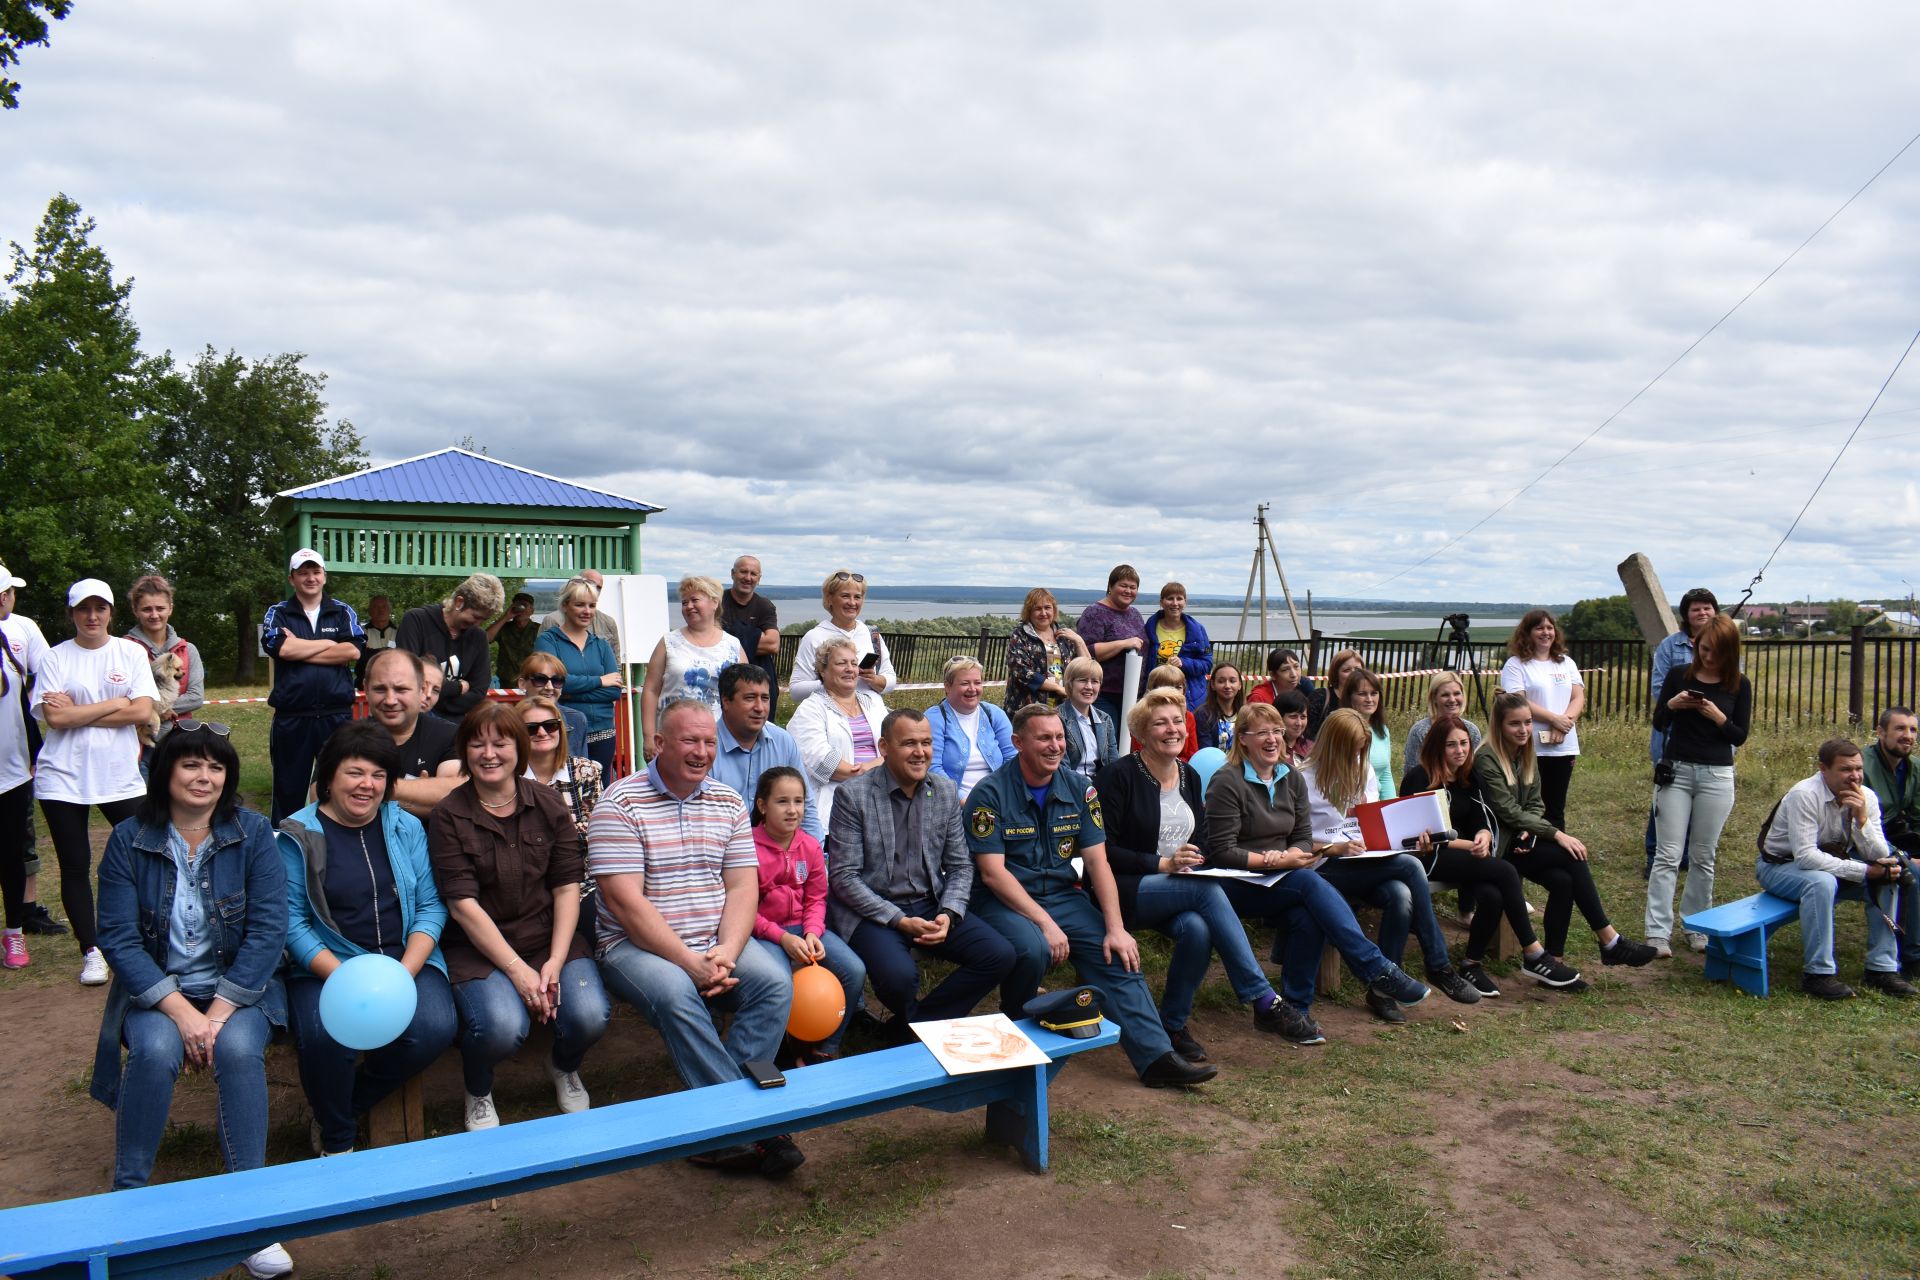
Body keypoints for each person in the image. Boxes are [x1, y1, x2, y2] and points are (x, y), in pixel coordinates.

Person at [89, 726, 293, 1278]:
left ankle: (250, 1220)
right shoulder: (130, 839)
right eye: (190, 766)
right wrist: (180, 1010)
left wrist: (219, 1011)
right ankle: (127, 1204)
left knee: (238, 1051)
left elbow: (269, 930)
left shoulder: (252, 833)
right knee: (154, 1053)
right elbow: (118, 937)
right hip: (160, 991)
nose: (204, 777)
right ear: (165, 773)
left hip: (240, 989)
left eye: (216, 768)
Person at [590, 701, 803, 1177]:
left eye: (709, 742)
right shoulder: (619, 804)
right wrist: (692, 963)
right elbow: (626, 905)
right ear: (660, 744)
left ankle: (720, 1122)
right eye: (689, 741)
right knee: (678, 994)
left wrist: (726, 952)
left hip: (715, 939)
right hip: (633, 945)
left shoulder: (727, 801)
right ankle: (754, 1126)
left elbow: (743, 887)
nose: (702, 752)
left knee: (773, 982)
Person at [965, 703, 1216, 1089]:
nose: (1055, 746)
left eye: (1060, 737)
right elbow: (992, 874)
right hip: (1004, 900)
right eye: (1044, 738)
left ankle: (1157, 1057)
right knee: (1033, 948)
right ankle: (1018, 1033)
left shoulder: (1080, 789)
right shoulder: (990, 794)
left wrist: (1116, 928)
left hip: (1064, 897)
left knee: (1118, 953)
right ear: (1017, 742)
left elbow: (1099, 863)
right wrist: (1045, 924)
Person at [278, 722, 458, 1157]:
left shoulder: (405, 827)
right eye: (355, 773)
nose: (367, 785)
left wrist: (403, 974)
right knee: (325, 1038)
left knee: (434, 1027)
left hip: (403, 959)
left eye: (379, 776)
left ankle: (340, 1109)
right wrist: (346, 980)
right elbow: (292, 923)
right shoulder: (297, 836)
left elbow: (432, 906)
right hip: (327, 965)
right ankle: (337, 1144)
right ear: (328, 778)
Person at [429, 702, 610, 1131]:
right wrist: (516, 970)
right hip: (479, 949)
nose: (489, 753)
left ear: (519, 749)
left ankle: (563, 1065)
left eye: (501, 743)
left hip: (548, 938)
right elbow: (462, 905)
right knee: (501, 1026)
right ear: (464, 751)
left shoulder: (547, 804)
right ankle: (477, 1088)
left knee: (589, 1015)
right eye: (477, 744)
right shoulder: (448, 815)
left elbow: (567, 886)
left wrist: (554, 961)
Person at [1201, 702, 1426, 1044]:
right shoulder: (1227, 781)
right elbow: (1220, 850)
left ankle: (1297, 1010)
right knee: (1308, 881)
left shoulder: (1289, 777)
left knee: (1307, 911)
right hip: (1235, 881)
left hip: (1280, 877)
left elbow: (1303, 836)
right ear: (1243, 740)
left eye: (1276, 731)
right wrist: (1274, 861)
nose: (1272, 738)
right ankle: (1376, 969)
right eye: (1262, 732)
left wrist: (1292, 853)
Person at [1095, 689, 1302, 1058]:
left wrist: (1195, 856)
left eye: (1177, 721)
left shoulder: (1189, 775)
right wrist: (1162, 864)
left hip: (1180, 884)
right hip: (1125, 888)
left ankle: (1171, 1025)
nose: (1172, 729)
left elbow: (1204, 836)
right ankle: (1262, 998)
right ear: (1142, 732)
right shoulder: (1119, 775)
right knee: (1204, 894)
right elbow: (1104, 850)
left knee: (1198, 928)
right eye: (1161, 723)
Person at [827, 709, 1015, 1037]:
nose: (920, 752)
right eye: (909, 743)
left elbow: (959, 865)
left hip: (930, 903)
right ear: (884, 747)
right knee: (901, 980)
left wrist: (949, 912)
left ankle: (907, 1030)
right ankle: (915, 1030)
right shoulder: (853, 795)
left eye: (926, 743)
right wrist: (898, 920)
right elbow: (844, 877)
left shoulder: (943, 791)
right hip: (873, 911)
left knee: (999, 955)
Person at [1299, 709, 1481, 1019]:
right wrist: (1336, 847)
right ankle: (1438, 965)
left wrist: (1407, 837)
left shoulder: (1363, 768)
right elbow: (1296, 843)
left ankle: (1382, 991)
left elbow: (1373, 825)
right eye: (1352, 749)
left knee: (1400, 893)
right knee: (1409, 868)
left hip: (1364, 860)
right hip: (1323, 867)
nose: (1358, 756)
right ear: (1334, 745)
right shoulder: (1302, 778)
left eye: (1362, 749)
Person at [1476, 691, 1657, 975]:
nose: (1524, 730)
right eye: (1515, 724)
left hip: (1522, 840)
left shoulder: (1525, 750)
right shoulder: (1486, 758)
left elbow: (1536, 802)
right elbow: (1506, 810)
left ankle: (1555, 961)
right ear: (1499, 726)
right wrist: (1555, 834)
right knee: (1569, 853)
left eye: (1527, 722)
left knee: (1563, 881)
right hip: (1498, 846)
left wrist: (1531, 831)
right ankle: (1609, 940)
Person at [33, 578, 159, 985]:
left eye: (99, 608)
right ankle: (92, 951)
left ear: (110, 612)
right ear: (71, 614)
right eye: (83, 609)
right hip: (62, 778)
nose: (92, 616)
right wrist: (117, 702)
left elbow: (143, 712)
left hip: (120, 776)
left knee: (143, 857)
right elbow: (55, 719)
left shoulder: (130, 652)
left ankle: (146, 939)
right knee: (75, 866)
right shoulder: (55, 658)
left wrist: (82, 710)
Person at [1399, 714, 1580, 994]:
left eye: (1464, 744)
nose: (1460, 751)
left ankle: (1470, 964)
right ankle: (1534, 953)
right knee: (1506, 870)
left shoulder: (1468, 776)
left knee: (1492, 896)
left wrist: (1483, 835)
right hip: (1429, 858)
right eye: (1451, 745)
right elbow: (1421, 835)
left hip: (1468, 856)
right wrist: (1471, 844)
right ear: (1437, 747)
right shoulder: (1419, 778)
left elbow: (1481, 817)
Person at [1755, 738, 1912, 999]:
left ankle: (1881, 969)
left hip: (1828, 864)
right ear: (1823, 769)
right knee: (1821, 883)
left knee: (1888, 875)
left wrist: (1861, 820)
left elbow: (1878, 854)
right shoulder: (1804, 795)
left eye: (1859, 769)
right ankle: (1818, 974)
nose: (1855, 776)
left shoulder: (1867, 797)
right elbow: (1805, 858)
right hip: (1779, 867)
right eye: (1846, 769)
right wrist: (1863, 872)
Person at [1646, 614, 1750, 957]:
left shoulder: (1739, 684)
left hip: (1717, 774)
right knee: (1668, 855)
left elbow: (1740, 735)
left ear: (1729, 653)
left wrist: (1717, 716)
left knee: (1704, 856)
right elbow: (1659, 721)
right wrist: (1674, 705)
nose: (1707, 657)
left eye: (1715, 652)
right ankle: (1657, 933)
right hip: (1676, 770)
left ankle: (1696, 925)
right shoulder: (1679, 676)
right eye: (1703, 649)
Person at [749, 767, 865, 1064]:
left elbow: (816, 898)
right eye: (782, 802)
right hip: (766, 934)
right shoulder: (747, 848)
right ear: (762, 805)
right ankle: (781, 1053)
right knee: (780, 982)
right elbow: (745, 911)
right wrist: (783, 938)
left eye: (798, 802)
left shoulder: (811, 846)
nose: (792, 810)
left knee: (853, 971)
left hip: (805, 928)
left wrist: (813, 931)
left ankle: (824, 1047)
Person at [263, 550, 365, 825]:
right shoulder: (278, 613)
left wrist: (300, 648)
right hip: (292, 716)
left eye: (315, 571)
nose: (310, 578)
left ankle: (334, 842)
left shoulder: (342, 611)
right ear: (292, 578)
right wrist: (330, 645)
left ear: (324, 576)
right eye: (303, 573)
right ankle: (284, 849)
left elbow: (353, 652)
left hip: (336, 715)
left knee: (337, 784)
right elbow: (280, 648)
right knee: (288, 788)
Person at [0, 565, 60, 938]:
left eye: (8, 591)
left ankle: (25, 911)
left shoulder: (24, 628)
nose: (6, 597)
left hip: (15, 756)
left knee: (21, 836)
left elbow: (46, 676)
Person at [1645, 588, 1720, 876]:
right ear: (1686, 615)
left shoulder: (1725, 645)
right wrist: (1687, 704)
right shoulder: (1670, 646)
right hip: (1673, 732)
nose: (1702, 613)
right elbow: (1658, 688)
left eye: (1707, 608)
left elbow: (1732, 686)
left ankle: (1688, 855)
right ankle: (1655, 855)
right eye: (1696, 609)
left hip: (1709, 735)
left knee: (1701, 795)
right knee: (1666, 792)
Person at [786, 636, 889, 833]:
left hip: (883, 801)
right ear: (823, 671)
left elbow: (896, 745)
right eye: (842, 663)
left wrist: (869, 767)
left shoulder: (874, 702)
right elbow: (825, 764)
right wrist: (876, 766)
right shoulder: (810, 710)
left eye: (854, 663)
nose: (850, 669)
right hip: (837, 806)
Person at [711, 664, 820, 840]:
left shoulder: (783, 742)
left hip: (776, 854)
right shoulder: (706, 745)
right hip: (720, 852)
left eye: (765, 698)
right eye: (750, 698)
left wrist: (815, 857)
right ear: (726, 701)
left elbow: (806, 806)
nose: (760, 708)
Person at [1499, 610, 1584, 830]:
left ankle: (1557, 852)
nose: (1546, 632)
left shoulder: (1566, 663)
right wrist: (1554, 719)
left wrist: (1564, 723)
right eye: (1539, 628)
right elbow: (1519, 701)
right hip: (1529, 746)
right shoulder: (1516, 664)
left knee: (1555, 808)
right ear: (1527, 633)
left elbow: (1578, 696)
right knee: (1528, 805)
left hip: (1563, 746)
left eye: (1549, 627)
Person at [640, 574, 747, 745]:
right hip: (672, 737)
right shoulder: (668, 642)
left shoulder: (733, 645)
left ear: (714, 602)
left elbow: (744, 693)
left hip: (718, 739)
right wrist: (649, 737)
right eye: (684, 603)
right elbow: (651, 690)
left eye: (695, 600)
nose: (689, 606)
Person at [535, 577, 624, 778]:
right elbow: (552, 684)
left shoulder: (602, 645)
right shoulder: (548, 641)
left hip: (603, 731)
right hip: (564, 729)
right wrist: (599, 681)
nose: (587, 611)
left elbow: (614, 691)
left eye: (592, 605)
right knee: (565, 789)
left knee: (600, 791)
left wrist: (569, 691)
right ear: (565, 606)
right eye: (580, 604)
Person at [363, 647, 460, 818]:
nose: (390, 700)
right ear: (366, 689)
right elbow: (323, 797)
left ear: (421, 690)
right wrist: (421, 792)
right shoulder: (345, 738)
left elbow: (456, 796)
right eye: (380, 689)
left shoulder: (448, 734)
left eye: (401, 690)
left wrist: (375, 790)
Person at [396, 572, 504, 722]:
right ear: (459, 602)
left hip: (457, 727)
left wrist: (435, 696)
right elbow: (409, 678)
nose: (478, 624)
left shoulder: (478, 637)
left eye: (483, 619)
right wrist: (458, 688)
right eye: (475, 616)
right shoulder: (416, 621)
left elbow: (479, 691)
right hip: (416, 721)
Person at [1864, 706, 1920, 977]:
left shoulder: (1914, 767)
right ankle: (1912, 956)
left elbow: (1917, 818)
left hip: (1899, 833)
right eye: (1900, 728)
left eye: (1912, 729)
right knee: (1914, 872)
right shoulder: (1862, 765)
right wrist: (1907, 857)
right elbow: (1858, 827)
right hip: (1868, 841)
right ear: (1880, 732)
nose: (1907, 735)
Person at [788, 569, 896, 702]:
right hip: (830, 716)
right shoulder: (814, 637)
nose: (852, 603)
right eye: (845, 596)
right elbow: (796, 691)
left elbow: (890, 679)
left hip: (870, 716)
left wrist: (874, 679)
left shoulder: (871, 634)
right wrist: (831, 681)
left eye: (857, 597)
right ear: (829, 599)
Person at [925, 656, 1015, 802]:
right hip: (953, 803)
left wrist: (1001, 796)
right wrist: (962, 800)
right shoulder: (934, 718)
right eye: (965, 683)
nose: (972, 689)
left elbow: (1013, 758)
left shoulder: (995, 713)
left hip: (999, 799)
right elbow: (932, 768)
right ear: (948, 686)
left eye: (977, 683)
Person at [125, 574, 205, 736]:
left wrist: (155, 709)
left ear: (170, 608)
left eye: (160, 608)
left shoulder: (189, 650)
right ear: (135, 610)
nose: (154, 615)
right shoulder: (122, 649)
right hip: (136, 742)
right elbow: (120, 697)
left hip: (180, 739)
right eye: (147, 609)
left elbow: (196, 697)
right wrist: (152, 713)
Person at [1074, 565, 1150, 724]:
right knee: (1108, 742)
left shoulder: (1135, 614)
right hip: (1103, 694)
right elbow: (1087, 653)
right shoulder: (1095, 612)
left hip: (1132, 693)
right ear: (1110, 586)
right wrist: (1123, 644)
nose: (1128, 591)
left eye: (1133, 587)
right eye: (1123, 585)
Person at [1002, 588, 1089, 711]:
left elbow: (1087, 669)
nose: (1043, 613)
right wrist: (1058, 688)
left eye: (1047, 607)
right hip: (1028, 709)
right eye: (1038, 609)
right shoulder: (1020, 636)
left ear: (1054, 610)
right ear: (1029, 612)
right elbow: (1021, 671)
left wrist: (1079, 641)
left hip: (1062, 708)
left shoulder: (1063, 636)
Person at [1143, 582, 1212, 712]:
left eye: (1179, 598)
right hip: (1157, 693)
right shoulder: (1150, 628)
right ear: (1161, 602)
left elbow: (1207, 663)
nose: (1175, 603)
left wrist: (1184, 663)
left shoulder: (1198, 630)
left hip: (1188, 695)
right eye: (1170, 598)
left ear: (1185, 602)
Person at [719, 555, 781, 694]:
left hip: (755, 678)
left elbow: (773, 644)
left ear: (759, 579)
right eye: (743, 572)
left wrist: (729, 635)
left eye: (753, 574)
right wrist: (755, 635)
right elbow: (707, 640)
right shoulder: (717, 602)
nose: (748, 578)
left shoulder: (764, 606)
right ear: (732, 574)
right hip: (721, 676)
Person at [1402, 671, 1483, 777]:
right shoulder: (1420, 731)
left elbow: (1475, 771)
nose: (1452, 699)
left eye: (1457, 693)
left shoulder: (1472, 731)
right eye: (1445, 695)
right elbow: (1411, 774)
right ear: (1434, 698)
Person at [1342, 667, 1397, 800]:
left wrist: (1391, 807)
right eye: (1362, 694)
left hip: (1375, 802)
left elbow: (1385, 775)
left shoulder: (1382, 731)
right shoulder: (1341, 729)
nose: (1369, 699)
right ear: (1350, 697)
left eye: (1374, 693)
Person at [516, 652, 589, 751]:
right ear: (522, 683)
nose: (549, 687)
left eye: (557, 680)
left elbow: (580, 763)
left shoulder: (577, 720)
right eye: (540, 679)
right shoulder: (508, 721)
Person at [541, 570, 622, 655]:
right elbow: (543, 661)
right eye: (591, 584)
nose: (595, 589)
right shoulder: (552, 620)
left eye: (599, 587)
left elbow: (616, 662)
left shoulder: (608, 623)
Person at [1060, 656, 1119, 774]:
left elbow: (1113, 763)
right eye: (1082, 680)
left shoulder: (1105, 719)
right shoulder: (1057, 718)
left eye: (1094, 681)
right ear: (1070, 683)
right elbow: (1062, 768)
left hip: (1101, 785)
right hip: (1071, 786)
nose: (1089, 687)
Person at [1141, 665, 1200, 761]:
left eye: (1178, 687)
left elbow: (1192, 755)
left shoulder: (1189, 716)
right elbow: (1141, 753)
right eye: (1166, 687)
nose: (1172, 692)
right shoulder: (1144, 716)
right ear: (1152, 689)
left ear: (1184, 690)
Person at [1305, 648, 1364, 741]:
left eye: (1357, 669)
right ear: (1336, 674)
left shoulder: (1366, 700)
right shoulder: (1321, 697)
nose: (1353, 674)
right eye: (1347, 670)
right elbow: (1307, 733)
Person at [487, 592, 541, 689]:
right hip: (507, 682)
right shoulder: (503, 628)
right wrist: (506, 617)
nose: (521, 609)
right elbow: (485, 639)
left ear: (532, 611)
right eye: (518, 605)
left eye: (524, 605)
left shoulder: (539, 630)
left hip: (533, 681)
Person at [1192, 663, 1246, 754]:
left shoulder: (1246, 713)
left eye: (1232, 681)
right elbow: (1206, 751)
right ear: (1213, 685)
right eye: (1221, 681)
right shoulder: (1203, 714)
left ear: (1240, 685)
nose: (1227, 686)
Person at [1275, 689, 1313, 767]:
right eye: (1293, 716)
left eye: (1303, 717)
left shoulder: (1311, 748)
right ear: (1278, 717)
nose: (1299, 723)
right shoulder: (1270, 749)